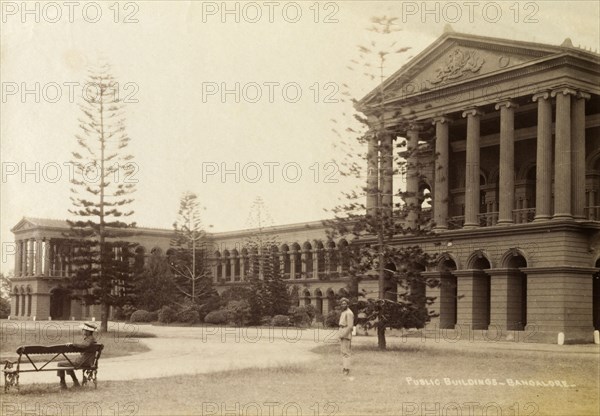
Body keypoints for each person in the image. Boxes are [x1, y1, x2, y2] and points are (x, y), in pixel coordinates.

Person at [57, 322, 98, 389]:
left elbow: (84, 345)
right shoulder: (91, 339)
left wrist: (73, 344)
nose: (82, 331)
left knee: (60, 364)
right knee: (68, 363)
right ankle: (75, 382)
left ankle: (63, 384)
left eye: (83, 330)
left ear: (88, 331)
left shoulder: (90, 339)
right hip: (87, 361)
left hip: (83, 362)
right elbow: (84, 346)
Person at [337, 297, 354, 376]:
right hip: (342, 332)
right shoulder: (343, 312)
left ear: (347, 304)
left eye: (345, 303)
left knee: (346, 353)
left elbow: (350, 326)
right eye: (342, 304)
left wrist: (343, 335)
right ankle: (344, 367)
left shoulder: (349, 313)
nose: (343, 305)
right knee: (343, 352)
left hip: (346, 335)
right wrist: (340, 334)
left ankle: (346, 369)